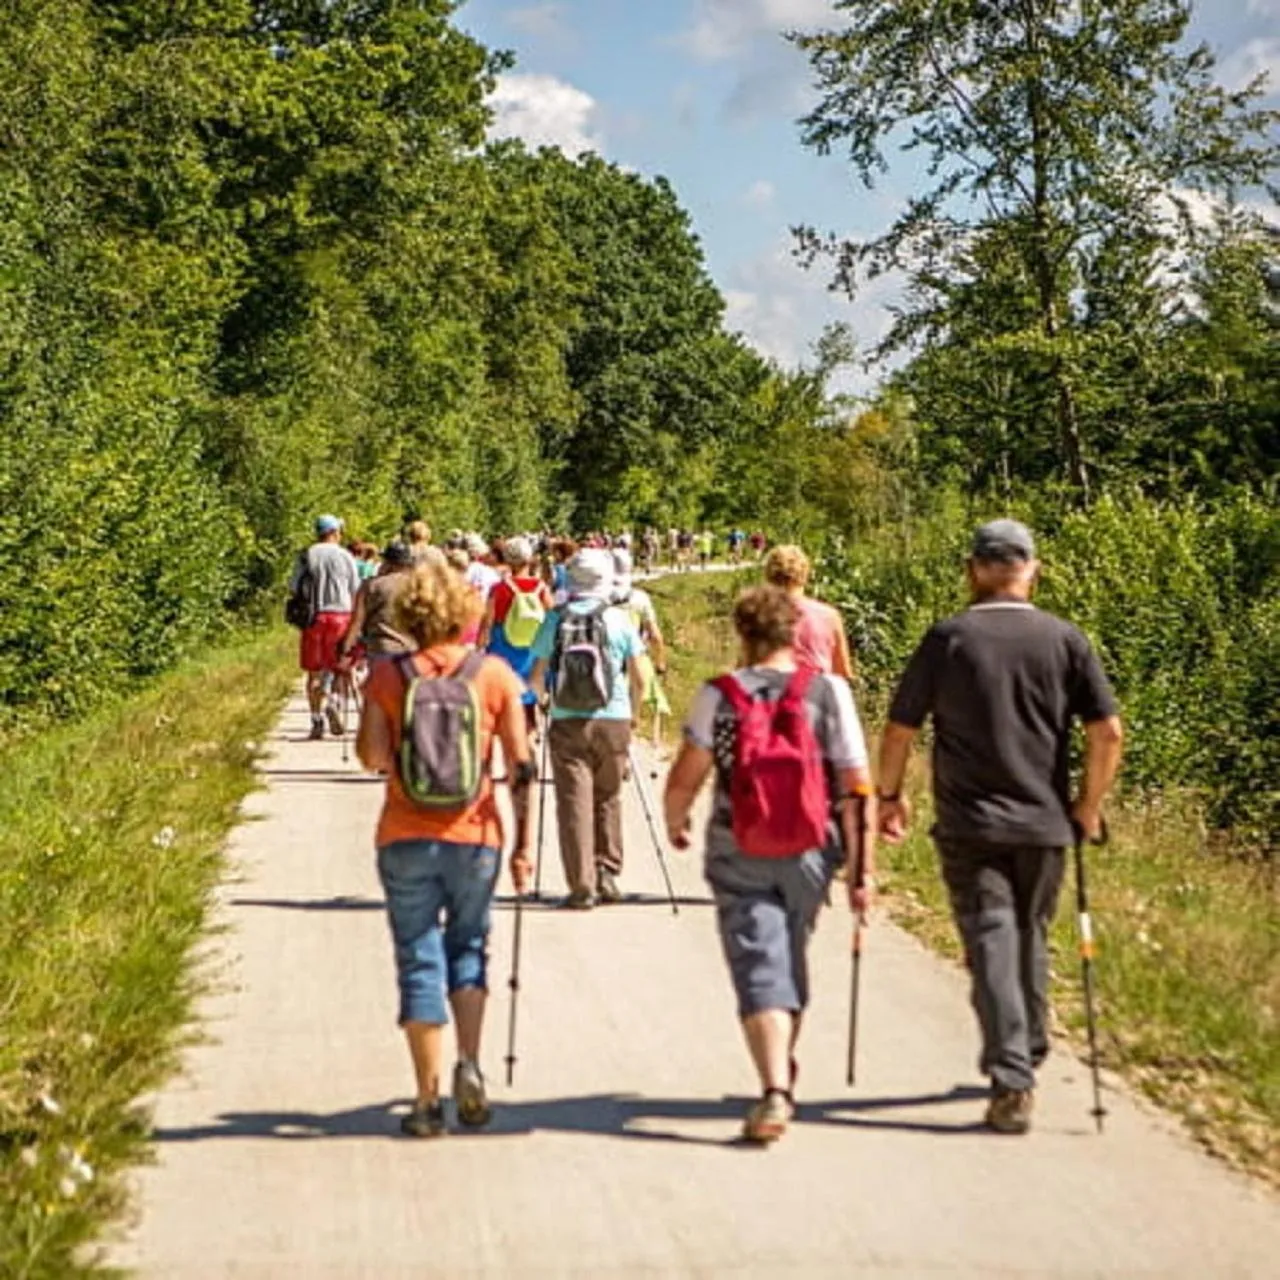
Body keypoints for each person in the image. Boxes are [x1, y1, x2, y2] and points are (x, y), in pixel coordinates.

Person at [877, 519, 1124, 1135]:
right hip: (1046, 822)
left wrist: (889, 795)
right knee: (1030, 933)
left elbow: (900, 728)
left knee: (991, 936)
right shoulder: (1067, 640)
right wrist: (1089, 805)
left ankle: (1014, 1073)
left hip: (971, 821)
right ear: (1031, 569)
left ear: (974, 570)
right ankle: (1029, 1041)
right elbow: (1107, 732)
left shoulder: (948, 639)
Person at [664, 585, 875, 1143]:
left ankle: (775, 1089)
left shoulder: (721, 694)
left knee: (760, 959)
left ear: (744, 634)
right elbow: (856, 785)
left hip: (740, 845)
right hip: (811, 847)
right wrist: (862, 869)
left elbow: (688, 773)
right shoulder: (828, 692)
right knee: (791, 951)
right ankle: (782, 1066)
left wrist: (676, 819)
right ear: (793, 634)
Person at [356, 558, 535, 1138]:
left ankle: (427, 1099)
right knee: (469, 950)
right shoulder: (495, 676)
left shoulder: (388, 677)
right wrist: (524, 847)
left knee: (418, 958)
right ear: (466, 612)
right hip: (476, 836)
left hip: (405, 835)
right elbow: (520, 767)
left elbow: (371, 758)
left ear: (409, 615)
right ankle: (471, 1065)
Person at [530, 549, 646, 908]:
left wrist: (540, 706)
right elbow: (640, 676)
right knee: (608, 796)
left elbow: (536, 678)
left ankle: (581, 885)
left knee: (573, 802)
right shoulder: (619, 620)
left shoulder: (555, 620)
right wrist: (634, 712)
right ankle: (607, 870)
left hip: (567, 721)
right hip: (614, 718)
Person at [290, 514, 362, 741]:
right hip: (341, 615)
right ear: (334, 533)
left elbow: (294, 587)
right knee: (340, 667)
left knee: (314, 671)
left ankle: (316, 719)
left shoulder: (306, 555)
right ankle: (335, 702)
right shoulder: (346, 556)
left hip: (313, 617)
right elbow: (356, 589)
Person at [480, 537, 554, 735]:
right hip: (531, 650)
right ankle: (527, 736)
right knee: (527, 696)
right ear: (529, 559)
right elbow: (551, 620)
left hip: (502, 646)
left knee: (503, 696)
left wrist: (480, 647)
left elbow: (487, 622)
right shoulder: (541, 588)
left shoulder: (499, 589)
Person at [763, 545, 855, 681]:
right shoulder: (829, 616)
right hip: (818, 696)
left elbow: (744, 674)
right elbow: (843, 674)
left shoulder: (759, 618)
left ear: (769, 577)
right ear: (805, 574)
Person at [612, 549, 670, 732]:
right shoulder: (640, 598)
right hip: (633, 655)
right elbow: (655, 634)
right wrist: (660, 661)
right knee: (637, 689)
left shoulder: (601, 595)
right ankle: (632, 725)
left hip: (607, 655)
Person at [339, 540, 416, 672]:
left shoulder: (370, 585)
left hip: (380, 648)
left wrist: (345, 649)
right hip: (410, 649)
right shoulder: (417, 587)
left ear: (387, 562)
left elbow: (357, 621)